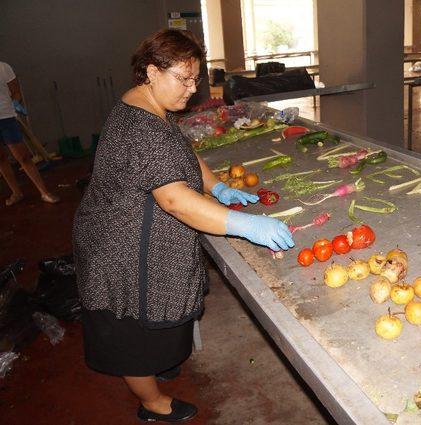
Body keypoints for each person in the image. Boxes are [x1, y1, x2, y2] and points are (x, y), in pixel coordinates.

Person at [72, 29, 294, 423]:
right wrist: (245, 224)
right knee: (133, 336)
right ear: (152, 72)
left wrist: (218, 186)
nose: (192, 89)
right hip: (121, 248)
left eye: (196, 79)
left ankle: (158, 360)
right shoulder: (142, 129)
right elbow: (175, 201)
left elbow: (183, 150)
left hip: (137, 235)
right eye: (183, 78)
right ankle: (152, 403)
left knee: (154, 323)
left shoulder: (149, 106)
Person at [0, 61, 59, 206]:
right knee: (0, 159)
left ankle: (44, 192)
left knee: (23, 157)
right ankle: (16, 193)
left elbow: (16, 92)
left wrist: (15, 103)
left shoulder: (3, 67)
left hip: (6, 118)